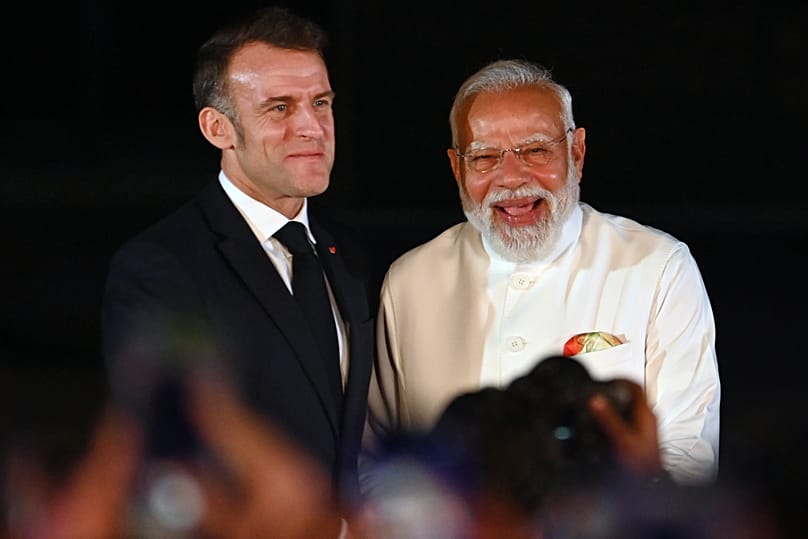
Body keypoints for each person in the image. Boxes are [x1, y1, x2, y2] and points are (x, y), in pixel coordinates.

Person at [364, 58, 720, 486]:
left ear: (577, 153)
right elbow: (379, 463)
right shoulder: (410, 281)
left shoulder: (657, 266)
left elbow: (688, 457)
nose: (511, 179)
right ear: (457, 169)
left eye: (535, 151)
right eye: (484, 157)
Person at [101, 5, 375, 520]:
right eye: (280, 108)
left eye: (321, 103)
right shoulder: (160, 266)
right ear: (217, 128)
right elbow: (165, 448)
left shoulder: (350, 258)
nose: (312, 127)